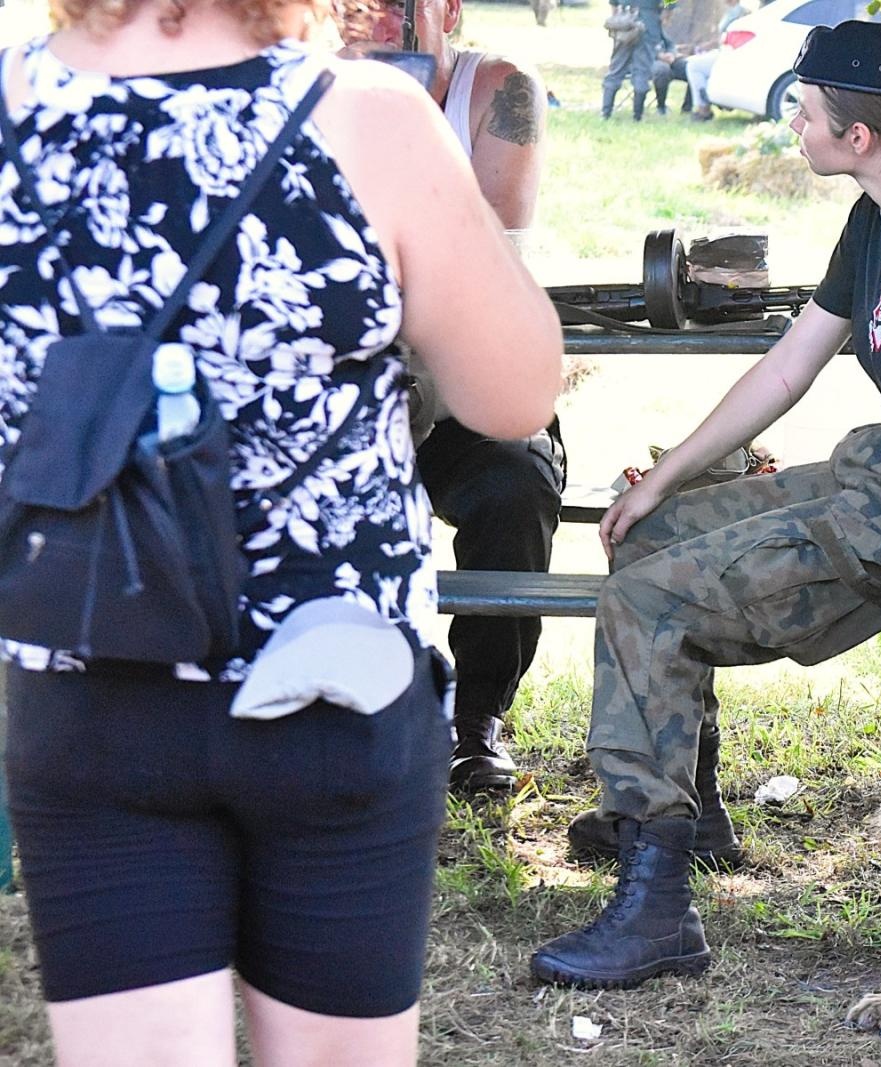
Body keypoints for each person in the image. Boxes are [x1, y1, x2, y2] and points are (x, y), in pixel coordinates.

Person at [0, 0, 562, 1062]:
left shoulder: (12, 106)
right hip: (331, 675)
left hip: (89, 670)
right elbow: (515, 395)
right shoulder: (363, 116)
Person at [534, 20, 881, 990]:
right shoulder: (877, 216)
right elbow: (787, 368)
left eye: (804, 110)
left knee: (649, 605)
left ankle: (654, 912)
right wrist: (667, 475)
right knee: (650, 539)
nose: (793, 122)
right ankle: (685, 811)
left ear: (857, 135)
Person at [343, 0, 567, 795]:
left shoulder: (499, 89)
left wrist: (393, 117)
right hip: (344, 375)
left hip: (463, 370)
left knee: (516, 485)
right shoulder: (302, 85)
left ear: (447, 9)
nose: (371, 15)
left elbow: (483, 237)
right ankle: (343, 706)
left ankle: (477, 717)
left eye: (400, 3)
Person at [684, 0, 748, 121]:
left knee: (694, 66)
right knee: (696, 62)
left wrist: (708, 45)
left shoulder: (741, 13)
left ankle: (703, 109)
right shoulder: (729, 12)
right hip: (723, 50)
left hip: (732, 54)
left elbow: (728, 37)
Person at [601, 0, 663, 121]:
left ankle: (605, 113)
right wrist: (662, 19)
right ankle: (637, 116)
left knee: (616, 69)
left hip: (624, 23)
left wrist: (617, 21)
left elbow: (613, 4)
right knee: (642, 71)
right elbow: (670, 4)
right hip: (648, 25)